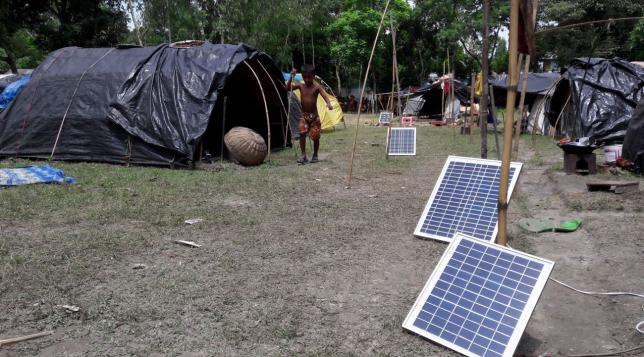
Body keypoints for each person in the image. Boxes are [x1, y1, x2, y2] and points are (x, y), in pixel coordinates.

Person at [286, 65, 333, 164]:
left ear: (313, 76)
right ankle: (303, 155)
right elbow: (287, 88)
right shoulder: (300, 86)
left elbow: (325, 95)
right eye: (304, 77)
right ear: (302, 76)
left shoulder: (317, 87)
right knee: (302, 133)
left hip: (314, 117)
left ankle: (315, 155)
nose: (307, 79)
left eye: (309, 77)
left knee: (315, 136)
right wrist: (291, 77)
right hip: (304, 115)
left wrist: (328, 104)